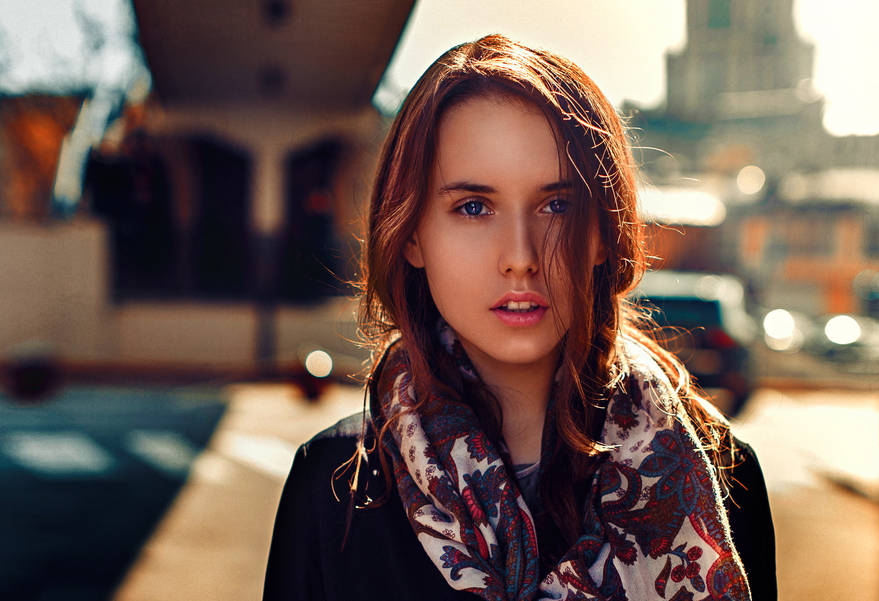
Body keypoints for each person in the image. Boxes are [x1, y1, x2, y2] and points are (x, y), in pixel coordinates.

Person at [263, 34, 776, 601]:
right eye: (474, 207)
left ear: (602, 234)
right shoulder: (333, 491)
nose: (520, 256)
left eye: (556, 205)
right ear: (411, 235)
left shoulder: (722, 480)